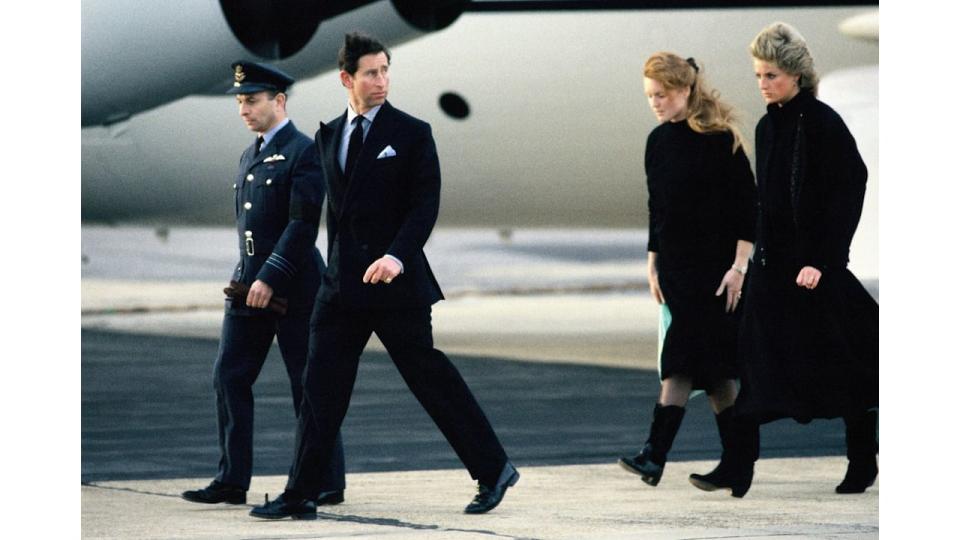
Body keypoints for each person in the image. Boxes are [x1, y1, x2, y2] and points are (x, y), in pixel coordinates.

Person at [249, 33, 518, 520]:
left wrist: (396, 256)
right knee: (319, 389)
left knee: (430, 381)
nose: (381, 81)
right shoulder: (329, 134)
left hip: (397, 286)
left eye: (385, 71)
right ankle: (302, 491)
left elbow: (424, 206)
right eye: (371, 73)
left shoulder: (412, 133)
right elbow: (314, 215)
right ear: (347, 79)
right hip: (341, 290)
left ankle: (494, 469)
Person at [181, 61, 346, 506]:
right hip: (248, 284)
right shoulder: (249, 153)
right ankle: (232, 481)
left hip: (295, 286)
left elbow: (302, 224)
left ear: (279, 101)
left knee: (307, 384)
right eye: (239, 101)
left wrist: (271, 276)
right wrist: (248, 275)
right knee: (228, 376)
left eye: (251, 101)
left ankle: (324, 480)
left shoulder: (304, 150)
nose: (243, 110)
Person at [731, 22, 879, 494]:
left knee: (846, 369)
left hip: (815, 270)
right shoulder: (765, 125)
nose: (763, 84)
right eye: (758, 75)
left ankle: (862, 461)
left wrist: (824, 258)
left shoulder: (821, 121)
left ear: (795, 75)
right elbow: (766, 199)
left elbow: (850, 184)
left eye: (771, 75)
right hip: (773, 270)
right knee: (755, 366)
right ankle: (738, 469)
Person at [617, 52, 759, 497]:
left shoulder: (721, 140)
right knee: (716, 373)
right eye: (649, 96)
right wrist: (651, 261)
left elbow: (747, 212)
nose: (655, 103)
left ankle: (654, 455)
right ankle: (738, 465)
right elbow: (656, 208)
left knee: (680, 361)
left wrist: (739, 269)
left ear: (684, 91)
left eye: (661, 95)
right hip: (677, 271)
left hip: (717, 275)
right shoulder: (657, 141)